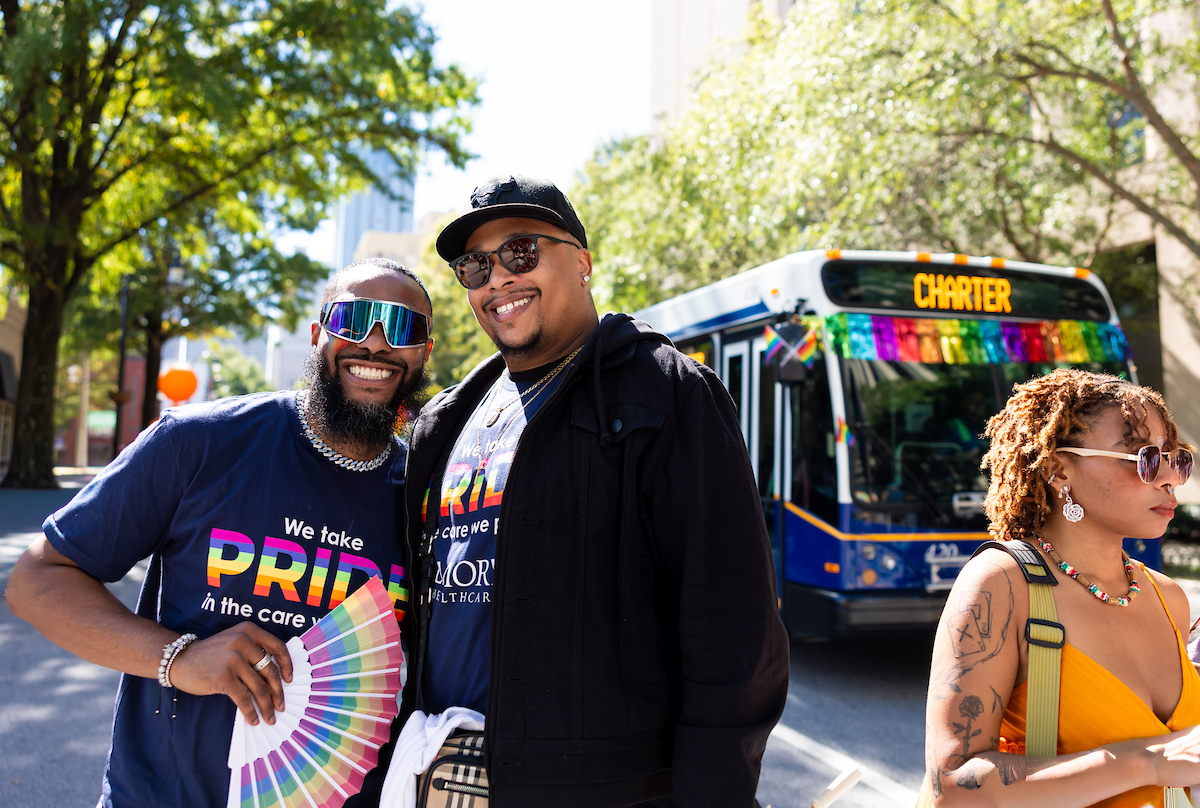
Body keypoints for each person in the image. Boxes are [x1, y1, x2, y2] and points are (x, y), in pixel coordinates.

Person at [393, 175, 790, 807]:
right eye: (474, 266)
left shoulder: (667, 393)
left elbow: (733, 626)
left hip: (605, 790)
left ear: (581, 262)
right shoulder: (446, 421)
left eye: (521, 252)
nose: (496, 279)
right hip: (440, 776)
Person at [5, 258, 434, 808]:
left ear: (423, 353)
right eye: (352, 318)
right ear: (317, 334)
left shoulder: (427, 498)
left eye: (403, 327)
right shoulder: (201, 442)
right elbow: (35, 581)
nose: (374, 343)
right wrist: (179, 658)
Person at [923, 368, 1200, 807]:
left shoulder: (1169, 598)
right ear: (1057, 469)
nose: (1169, 477)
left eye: (1175, 457)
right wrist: (1151, 760)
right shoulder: (1001, 584)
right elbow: (953, 787)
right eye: (1143, 457)